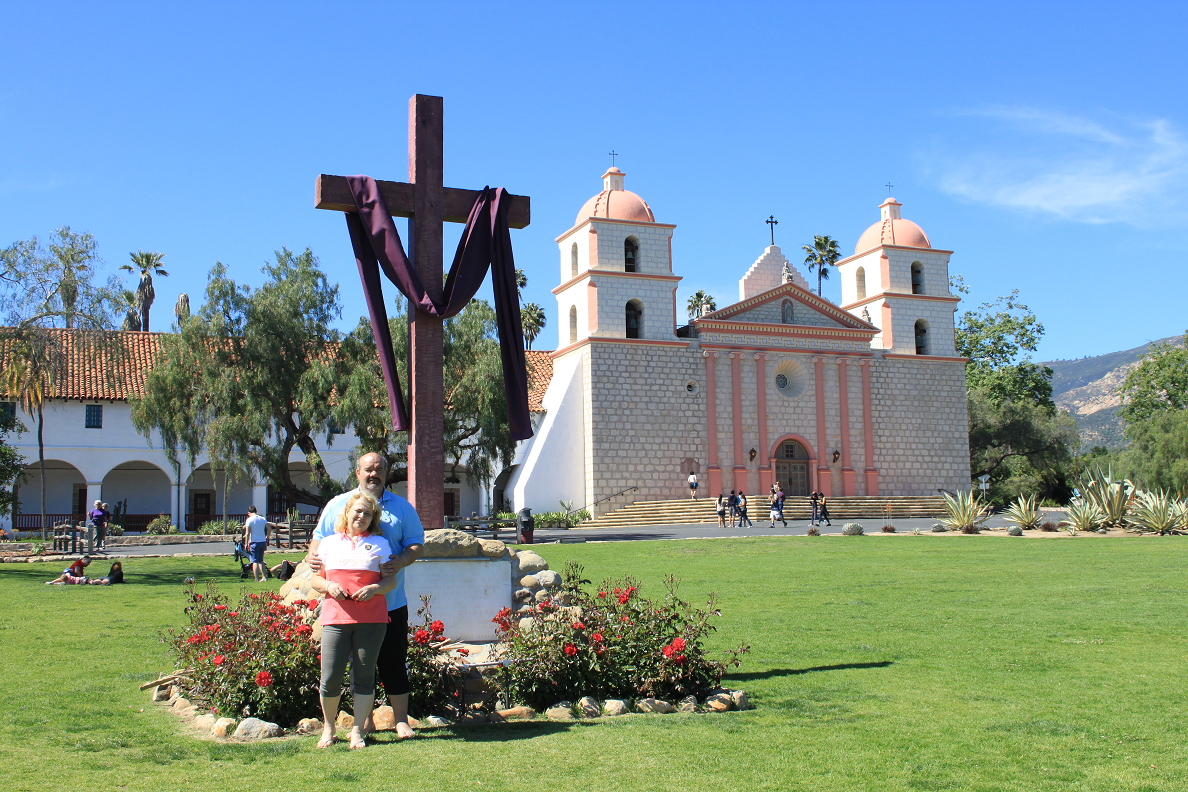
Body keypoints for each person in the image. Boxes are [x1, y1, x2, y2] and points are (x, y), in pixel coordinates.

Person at [306, 452, 424, 741]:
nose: (374, 474)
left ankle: (400, 720)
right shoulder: (338, 504)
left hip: (390, 602)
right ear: (357, 472)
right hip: (344, 608)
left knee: (394, 661)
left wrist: (401, 561)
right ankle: (364, 721)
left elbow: (416, 544)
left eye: (379, 469)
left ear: (386, 473)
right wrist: (312, 556)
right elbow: (319, 540)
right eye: (368, 469)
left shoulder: (403, 508)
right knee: (355, 667)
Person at [309, 491, 396, 749]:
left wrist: (375, 589)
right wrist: (329, 585)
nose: (361, 516)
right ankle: (329, 728)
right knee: (330, 676)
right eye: (357, 511)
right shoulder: (329, 543)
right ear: (347, 512)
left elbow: (390, 581)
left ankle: (358, 730)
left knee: (365, 677)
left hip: (371, 620)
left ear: (373, 518)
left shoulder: (380, 544)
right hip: (335, 618)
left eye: (367, 513)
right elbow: (315, 579)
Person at [242, 506, 270, 582]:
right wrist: (267, 537)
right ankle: (264, 577)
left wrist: (246, 543)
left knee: (254, 561)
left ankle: (256, 579)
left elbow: (248, 533)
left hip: (254, 542)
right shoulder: (262, 518)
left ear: (249, 512)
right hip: (262, 541)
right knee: (261, 561)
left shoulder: (249, 519)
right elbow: (269, 528)